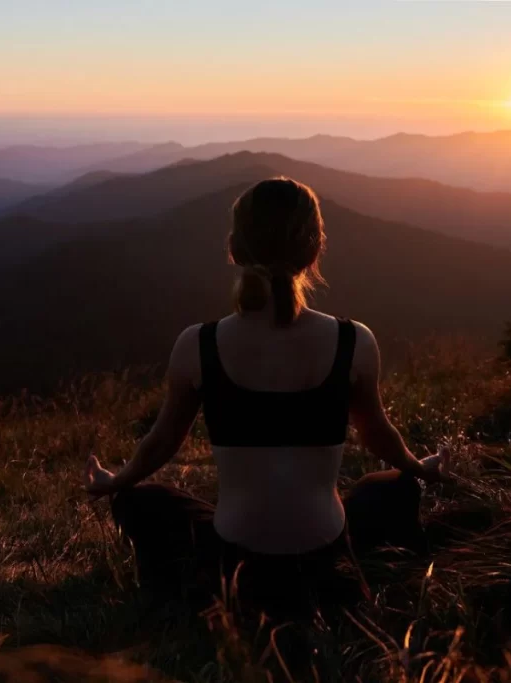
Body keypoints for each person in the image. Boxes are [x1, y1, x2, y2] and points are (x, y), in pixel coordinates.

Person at [84, 177, 450, 617]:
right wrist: (416, 468)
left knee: (141, 501)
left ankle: (186, 593)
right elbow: (377, 434)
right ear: (314, 250)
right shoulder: (355, 341)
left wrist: (115, 482)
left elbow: (162, 442)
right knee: (390, 487)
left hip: (235, 559)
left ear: (235, 249)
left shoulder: (198, 345)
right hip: (324, 553)